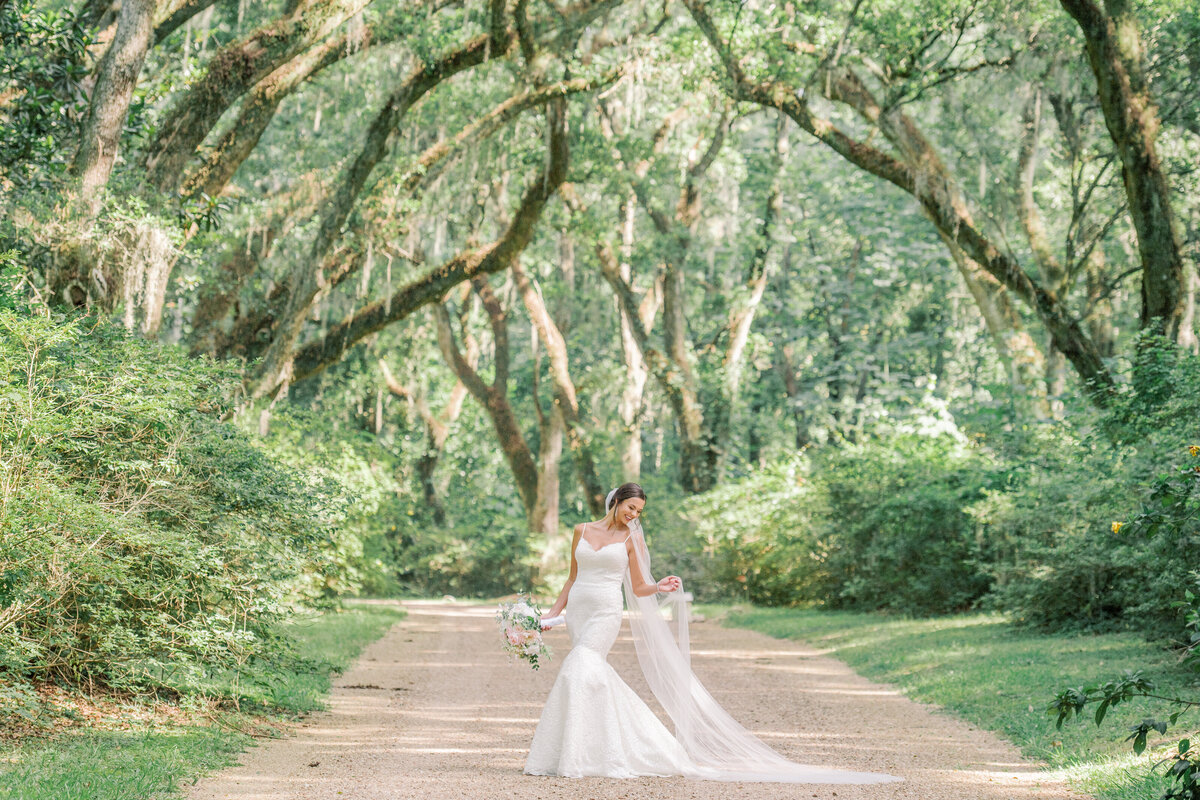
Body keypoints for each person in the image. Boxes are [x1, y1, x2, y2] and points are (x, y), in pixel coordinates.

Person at [523, 482, 902, 784]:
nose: (633, 515)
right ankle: (588, 750)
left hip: (606, 611)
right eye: (631, 507)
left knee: (581, 668)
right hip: (579, 612)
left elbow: (638, 587)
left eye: (638, 512)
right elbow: (572, 578)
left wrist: (660, 587)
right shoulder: (581, 530)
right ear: (617, 500)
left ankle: (585, 753)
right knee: (590, 677)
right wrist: (550, 616)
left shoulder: (630, 539)